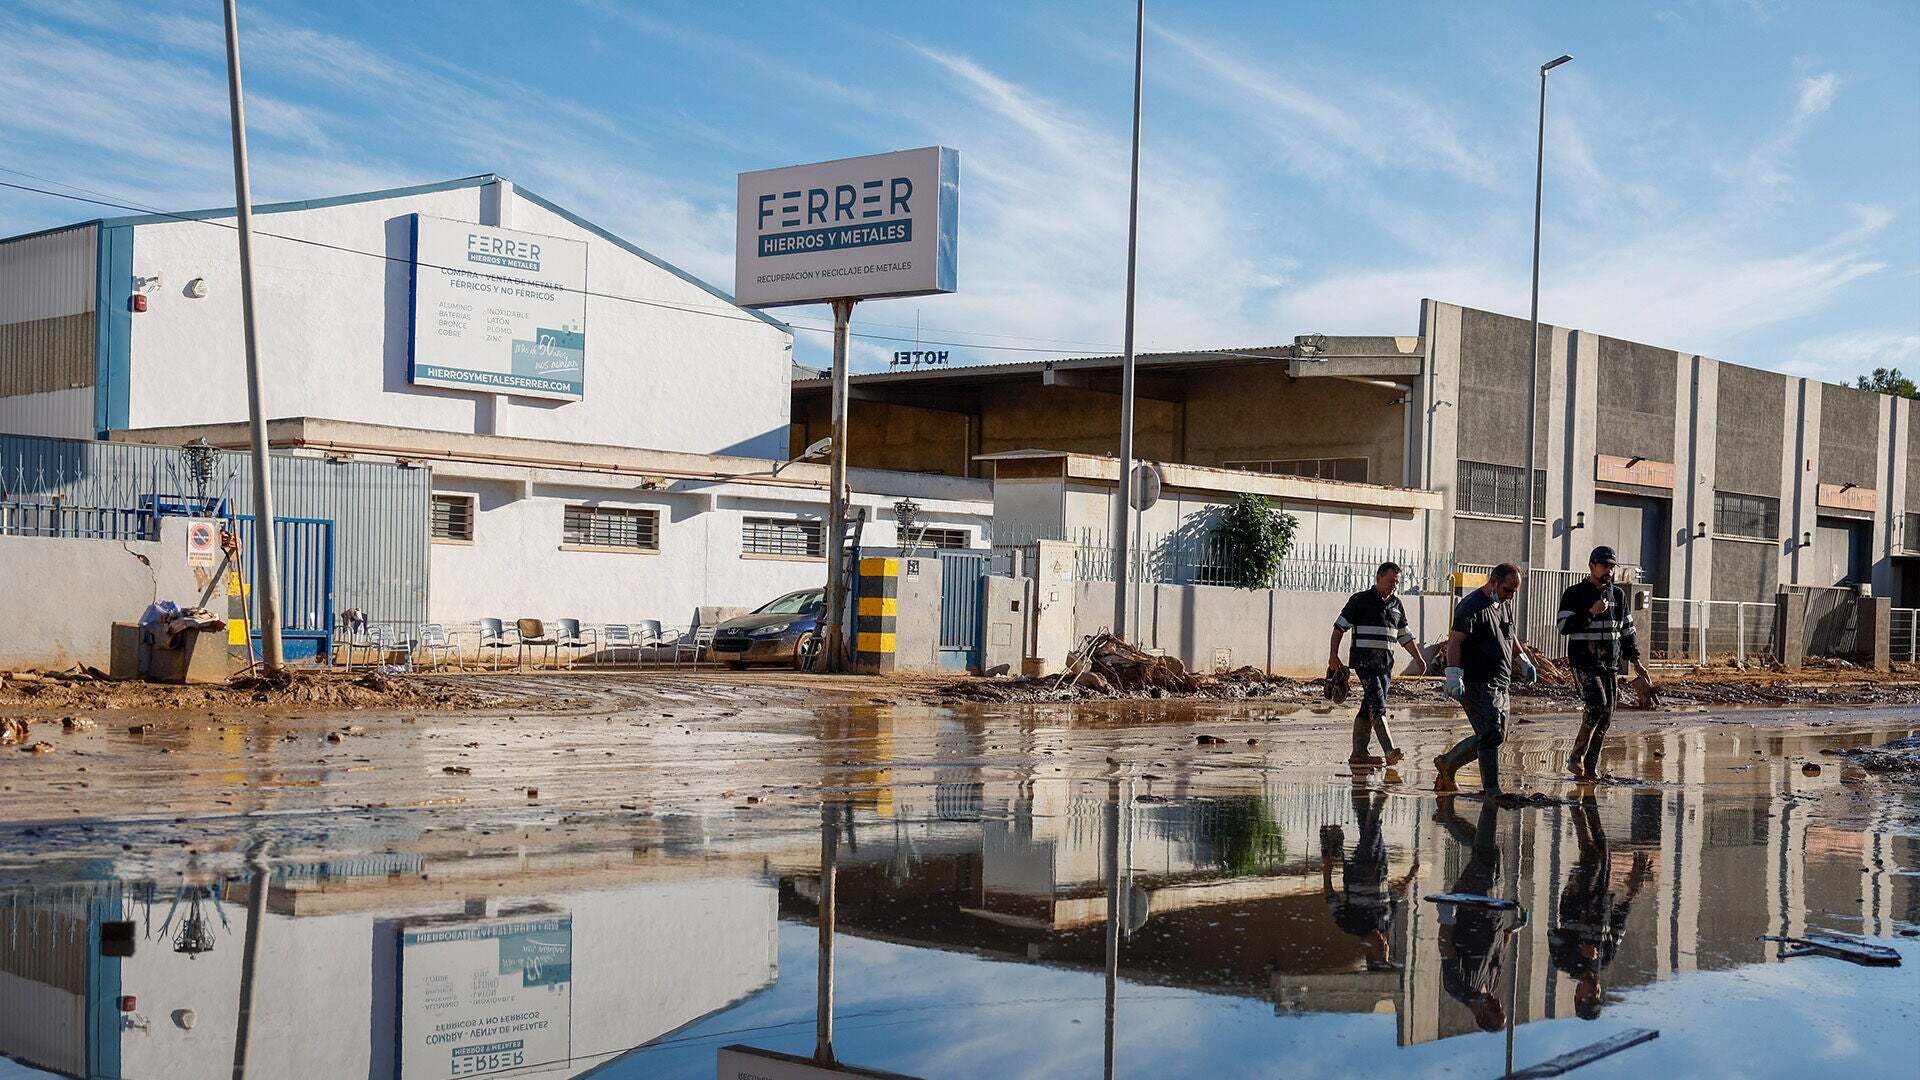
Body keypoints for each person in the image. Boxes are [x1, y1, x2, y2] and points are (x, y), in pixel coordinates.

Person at [1547, 793, 1655, 1019]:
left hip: (1577, 898)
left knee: (1593, 858)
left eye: (1589, 996)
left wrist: (1579, 947)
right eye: (1597, 995)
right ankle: (1585, 803)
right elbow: (1617, 927)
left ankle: (1578, 809)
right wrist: (1631, 892)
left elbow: (1553, 933)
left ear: (1577, 994)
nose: (1594, 990)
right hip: (1601, 898)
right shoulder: (1604, 960)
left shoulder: (1564, 962)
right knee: (1603, 849)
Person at [1435, 563, 1536, 795]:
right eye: (1507, 590)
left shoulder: (1503, 604)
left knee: (1497, 735)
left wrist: (1522, 659)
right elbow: (1455, 641)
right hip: (1477, 681)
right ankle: (1491, 790)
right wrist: (1453, 674)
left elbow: (1510, 635)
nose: (1510, 595)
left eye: (1513, 591)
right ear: (1493, 582)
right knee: (1491, 734)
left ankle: (1447, 763)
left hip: (1501, 682)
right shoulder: (1471, 606)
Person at [1555, 546, 1650, 781]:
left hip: (1609, 664)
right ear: (1592, 566)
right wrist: (1591, 612)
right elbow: (1563, 627)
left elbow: (1627, 631)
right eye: (1604, 566)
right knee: (1597, 704)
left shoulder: (1618, 596)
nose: (1609, 571)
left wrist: (1636, 662)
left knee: (1607, 716)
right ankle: (1575, 757)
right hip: (1584, 662)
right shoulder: (1575, 594)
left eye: (1611, 567)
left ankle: (1589, 766)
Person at [1329, 561, 1428, 767]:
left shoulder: (1397, 605)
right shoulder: (1359, 600)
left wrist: (1418, 658)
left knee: (1368, 707)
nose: (1394, 585)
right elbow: (1339, 628)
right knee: (1378, 703)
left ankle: (1359, 753)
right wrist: (1333, 656)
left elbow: (1404, 636)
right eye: (1390, 581)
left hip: (1385, 666)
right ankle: (1390, 750)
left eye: (1397, 582)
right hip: (1365, 663)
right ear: (1378, 577)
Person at [1434, 797, 1518, 1033]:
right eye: (1501, 1008)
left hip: (1472, 905)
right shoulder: (1489, 986)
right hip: (1494, 910)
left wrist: (1446, 915)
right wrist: (1513, 930)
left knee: (1487, 854)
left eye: (1496, 1010)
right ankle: (1449, 817)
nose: (1498, 1003)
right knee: (1493, 853)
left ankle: (1449, 817)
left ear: (1481, 1015)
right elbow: (1498, 953)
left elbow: (1447, 949)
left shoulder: (1459, 987)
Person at [1320, 778, 1421, 969]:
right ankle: (1360, 787)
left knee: (1372, 827)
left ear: (1369, 951)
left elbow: (1330, 897)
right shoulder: (1385, 924)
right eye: (1386, 950)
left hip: (1359, 869)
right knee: (1366, 822)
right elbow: (1395, 897)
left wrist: (1327, 868)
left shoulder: (1350, 925)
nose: (1385, 945)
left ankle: (1383, 793)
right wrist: (1412, 874)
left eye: (1381, 951)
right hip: (1380, 866)